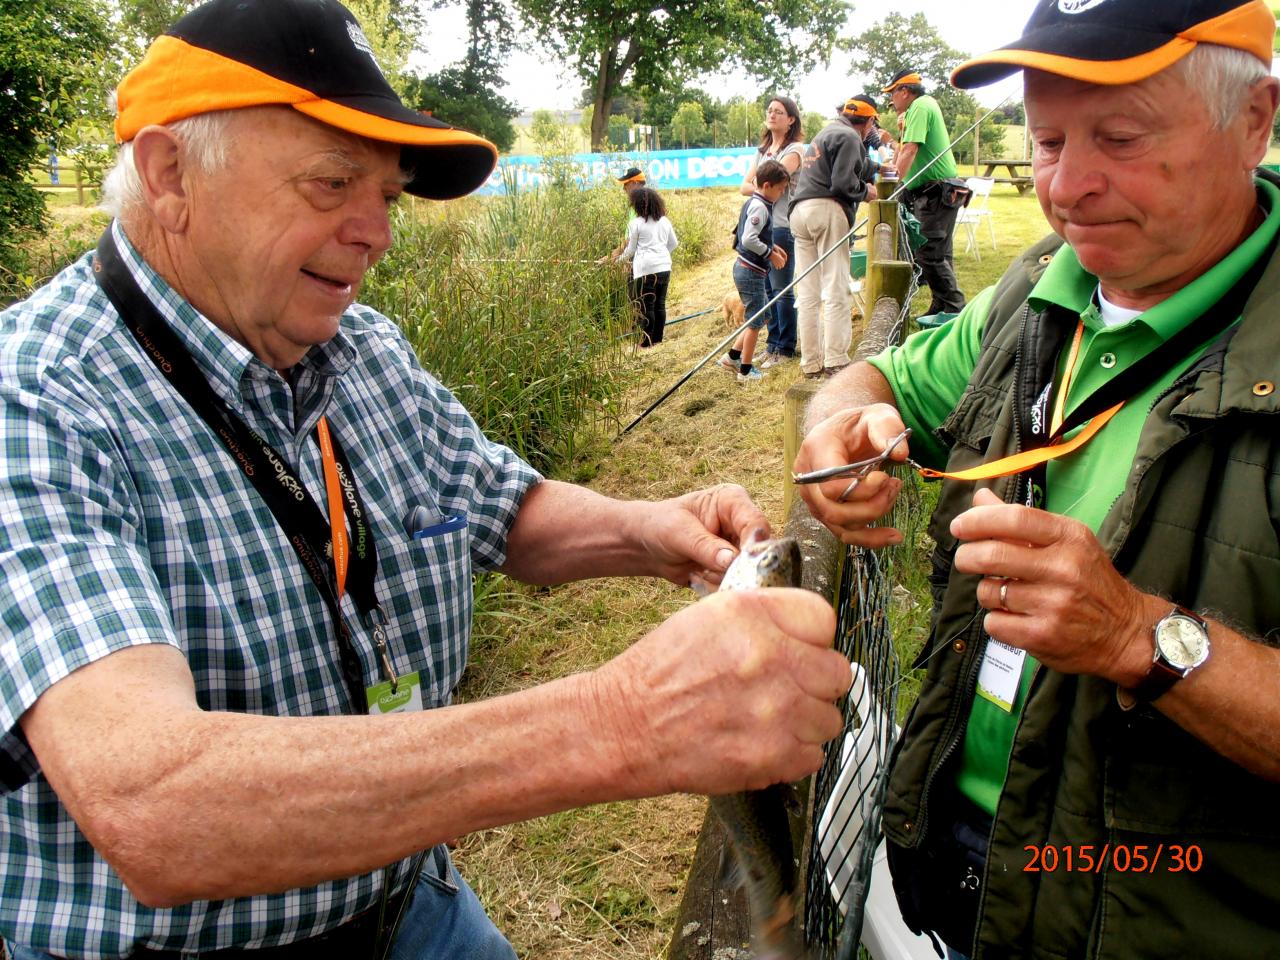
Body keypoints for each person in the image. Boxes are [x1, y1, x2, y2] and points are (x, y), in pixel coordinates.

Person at [0, 2, 854, 958]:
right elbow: (152, 805)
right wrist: (624, 722)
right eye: (332, 184)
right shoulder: (33, 401)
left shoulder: (356, 342)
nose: (377, 235)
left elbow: (495, 504)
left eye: (389, 197)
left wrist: (649, 528)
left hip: (416, 904)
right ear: (170, 176)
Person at [795, 1, 1280, 957]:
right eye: (1048, 138)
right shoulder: (1039, 286)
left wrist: (1143, 638)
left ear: (1256, 118)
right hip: (961, 857)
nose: (1071, 185)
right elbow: (882, 374)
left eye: (1122, 137)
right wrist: (833, 431)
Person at [789, 95, 879, 380]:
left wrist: (872, 170)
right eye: (872, 124)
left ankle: (811, 363)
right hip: (826, 209)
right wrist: (867, 192)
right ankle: (837, 361)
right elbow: (842, 183)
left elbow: (854, 166)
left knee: (808, 291)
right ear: (867, 122)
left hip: (799, 212)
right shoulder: (850, 137)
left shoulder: (826, 132)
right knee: (836, 286)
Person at [882, 67, 966, 316]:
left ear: (904, 91)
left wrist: (894, 183)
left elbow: (910, 150)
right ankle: (940, 306)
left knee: (928, 254)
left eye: (892, 93)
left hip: (935, 192)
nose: (890, 100)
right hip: (940, 190)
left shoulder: (919, 107)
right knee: (940, 254)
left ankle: (954, 308)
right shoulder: (921, 107)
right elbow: (903, 148)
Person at [738, 96, 805, 369]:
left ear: (791, 120)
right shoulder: (763, 150)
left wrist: (759, 184)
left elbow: (773, 182)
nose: (772, 115)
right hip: (763, 226)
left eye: (779, 112)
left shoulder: (795, 149)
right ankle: (772, 343)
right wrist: (760, 185)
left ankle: (785, 346)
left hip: (781, 226)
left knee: (781, 288)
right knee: (766, 288)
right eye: (770, 110)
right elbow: (745, 185)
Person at [719, 160, 790, 383]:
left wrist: (773, 247)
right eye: (780, 189)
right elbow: (749, 238)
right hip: (750, 271)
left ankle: (731, 358)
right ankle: (746, 370)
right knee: (756, 322)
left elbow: (755, 235)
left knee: (762, 315)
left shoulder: (757, 202)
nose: (781, 193)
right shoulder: (760, 206)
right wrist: (769, 254)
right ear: (767, 185)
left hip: (751, 270)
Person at [615, 185, 678, 347]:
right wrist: (662, 256)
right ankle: (658, 339)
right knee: (660, 304)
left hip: (645, 269)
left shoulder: (636, 223)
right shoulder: (664, 221)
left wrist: (617, 261)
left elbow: (630, 250)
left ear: (637, 205)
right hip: (664, 267)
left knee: (646, 305)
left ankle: (646, 342)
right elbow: (673, 244)